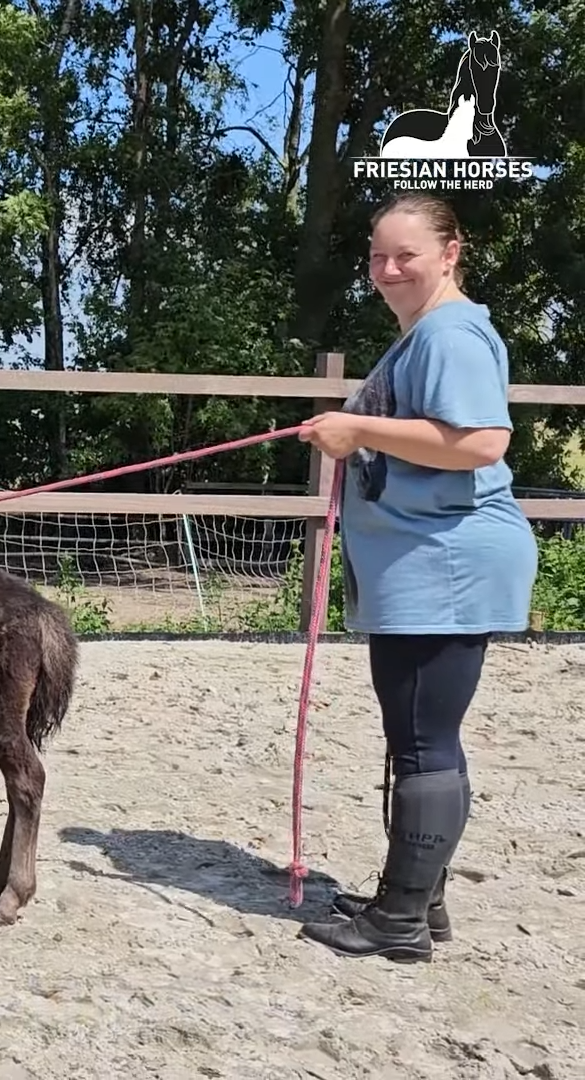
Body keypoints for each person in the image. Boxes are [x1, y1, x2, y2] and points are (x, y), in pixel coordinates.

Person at [296, 193, 535, 962]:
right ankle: (416, 899)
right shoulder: (427, 335)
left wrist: (357, 426)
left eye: (406, 255)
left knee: (426, 742)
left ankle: (400, 917)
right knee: (419, 738)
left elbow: (480, 442)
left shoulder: (452, 333)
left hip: (447, 562)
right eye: (378, 256)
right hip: (424, 562)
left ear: (450, 253)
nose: (389, 270)